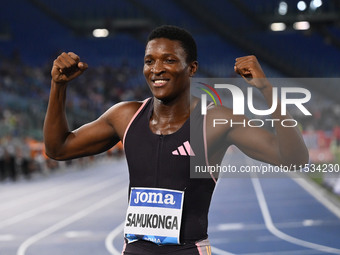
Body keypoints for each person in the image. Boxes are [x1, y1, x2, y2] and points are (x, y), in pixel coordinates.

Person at [43, 25, 309, 254]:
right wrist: (59, 86)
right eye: (149, 61)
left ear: (191, 68)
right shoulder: (125, 116)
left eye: (169, 60)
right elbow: (58, 148)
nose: (156, 69)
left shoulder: (216, 122)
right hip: (135, 249)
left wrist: (266, 89)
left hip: (188, 251)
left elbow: (294, 159)